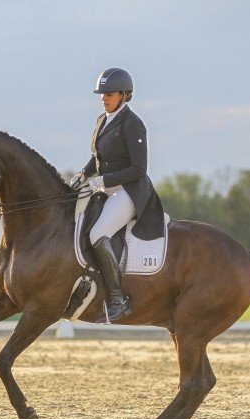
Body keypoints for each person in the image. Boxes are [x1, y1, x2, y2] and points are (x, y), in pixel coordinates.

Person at [70, 67, 165, 323]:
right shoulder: (102, 119)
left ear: (124, 95)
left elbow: (139, 169)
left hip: (129, 192)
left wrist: (104, 181)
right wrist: (82, 175)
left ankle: (117, 299)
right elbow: (97, 157)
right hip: (105, 188)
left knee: (97, 233)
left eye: (109, 94)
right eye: (101, 94)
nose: (103, 98)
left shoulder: (133, 124)